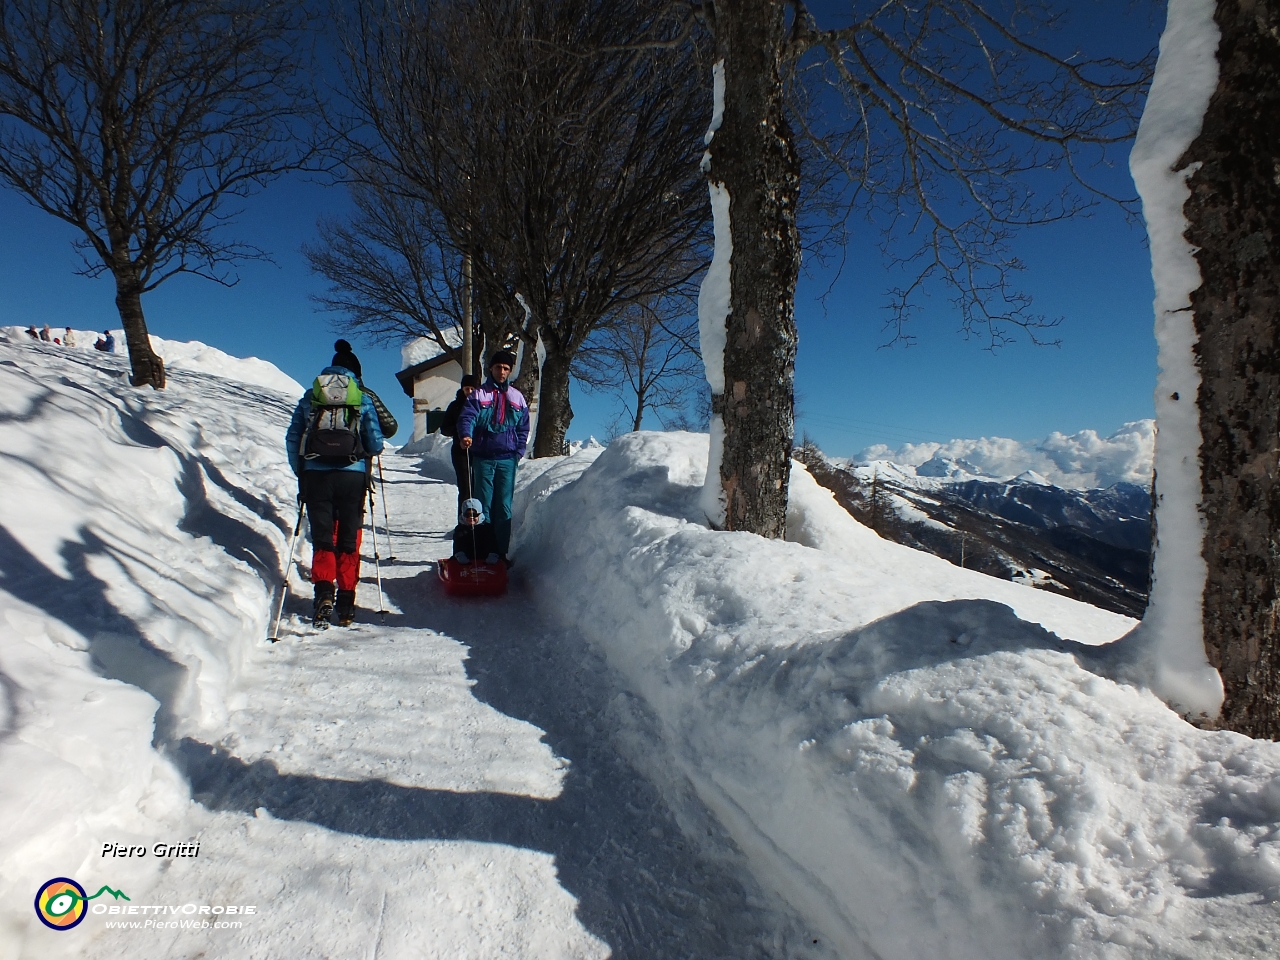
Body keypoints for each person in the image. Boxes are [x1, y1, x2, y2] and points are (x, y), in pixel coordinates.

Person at [285, 342, 385, 628]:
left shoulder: (310, 396)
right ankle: (346, 602)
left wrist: (301, 471)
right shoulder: (361, 398)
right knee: (348, 538)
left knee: (323, 537)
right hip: (351, 476)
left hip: (316, 476)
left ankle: (324, 592)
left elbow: (293, 437)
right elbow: (375, 442)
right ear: (356, 372)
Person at [457, 349, 528, 565]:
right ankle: (482, 551)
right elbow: (466, 417)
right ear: (491, 368)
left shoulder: (518, 397)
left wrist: (519, 452)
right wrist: (466, 435)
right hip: (483, 458)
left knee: (504, 507)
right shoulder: (479, 394)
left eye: (506, 368)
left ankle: (501, 553)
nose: (502, 372)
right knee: (482, 506)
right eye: (499, 367)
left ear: (510, 371)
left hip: (508, 459)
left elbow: (523, 428)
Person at [440, 373, 480, 512]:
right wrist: (460, 429)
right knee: (465, 488)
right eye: (466, 388)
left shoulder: (482, 405)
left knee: (478, 487)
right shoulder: (455, 406)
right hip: (460, 451)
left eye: (472, 389)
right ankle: (463, 521)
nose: (469, 392)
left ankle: (478, 521)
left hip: (479, 450)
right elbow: (444, 429)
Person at [451, 499, 500, 564]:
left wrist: (493, 554)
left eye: (474, 514)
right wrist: (460, 554)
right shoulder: (460, 529)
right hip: (466, 560)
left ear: (480, 514)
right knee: (453, 562)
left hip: (485, 560)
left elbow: (492, 543)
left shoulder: (487, 528)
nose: (471, 517)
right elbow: (458, 544)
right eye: (467, 515)